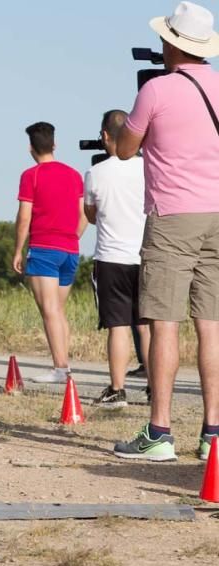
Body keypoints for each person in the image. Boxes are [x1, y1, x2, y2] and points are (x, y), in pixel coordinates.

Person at [113, 1, 219, 461]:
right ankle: (213, 432)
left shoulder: (156, 89)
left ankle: (159, 431)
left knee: (164, 323)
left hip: (173, 216)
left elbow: (124, 150)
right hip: (218, 215)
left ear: (170, 43)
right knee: (212, 325)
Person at [83, 110, 149, 409]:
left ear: (105, 136)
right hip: (146, 255)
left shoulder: (96, 173)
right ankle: (154, 386)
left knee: (119, 326)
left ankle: (117, 389)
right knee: (147, 324)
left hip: (111, 257)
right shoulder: (149, 167)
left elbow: (91, 215)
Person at [12, 122, 85, 383]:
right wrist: (72, 237)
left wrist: (18, 249)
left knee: (50, 310)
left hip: (43, 249)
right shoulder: (74, 175)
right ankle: (64, 366)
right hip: (70, 250)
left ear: (31, 148)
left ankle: (61, 368)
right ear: (54, 144)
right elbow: (84, 214)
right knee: (58, 310)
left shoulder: (31, 175)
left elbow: (24, 216)